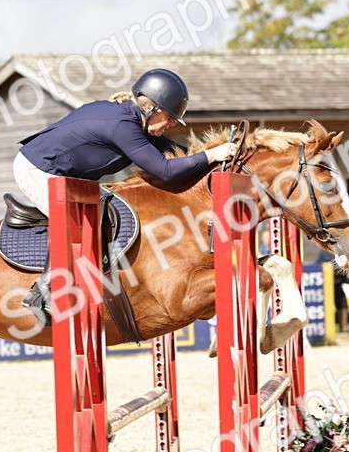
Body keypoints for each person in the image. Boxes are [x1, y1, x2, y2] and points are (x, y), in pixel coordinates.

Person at [13, 68, 237, 323]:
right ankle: (44, 293)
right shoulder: (123, 126)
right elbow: (164, 170)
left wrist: (216, 157)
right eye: (170, 117)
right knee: (74, 219)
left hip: (66, 175)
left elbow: (180, 153)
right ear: (152, 108)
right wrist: (212, 155)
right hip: (37, 168)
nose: (173, 124)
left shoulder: (136, 122)